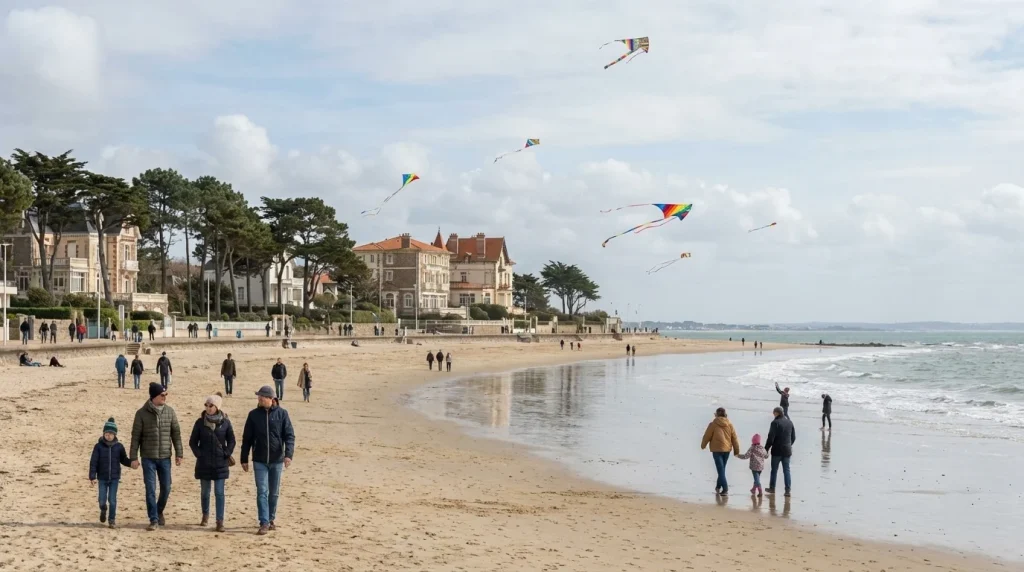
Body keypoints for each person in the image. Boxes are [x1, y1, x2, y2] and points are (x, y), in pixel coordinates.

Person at [241, 385, 295, 535]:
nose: (259, 399)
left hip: (277, 460)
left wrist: (288, 455)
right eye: (258, 397)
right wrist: (244, 458)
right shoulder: (253, 415)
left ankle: (271, 518)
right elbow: (247, 439)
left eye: (262, 397)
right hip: (259, 459)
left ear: (271, 399)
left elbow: (289, 436)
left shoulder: (282, 414)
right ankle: (263, 522)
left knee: (274, 492)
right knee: (262, 491)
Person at [130, 383, 184, 531]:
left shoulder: (170, 412)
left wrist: (179, 453)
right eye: (162, 395)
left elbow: (176, 434)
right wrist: (133, 457)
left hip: (165, 457)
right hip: (148, 457)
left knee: (166, 488)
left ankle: (159, 510)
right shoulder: (141, 414)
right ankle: (153, 519)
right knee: (150, 489)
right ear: (154, 396)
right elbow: (135, 437)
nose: (165, 397)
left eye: (166, 394)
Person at [189, 393, 235, 532]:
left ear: (217, 407)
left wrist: (226, 453)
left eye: (211, 406)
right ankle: (205, 515)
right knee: (205, 492)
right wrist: (199, 455)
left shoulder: (225, 422)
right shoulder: (200, 422)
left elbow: (232, 440)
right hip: (204, 463)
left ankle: (220, 521)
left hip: (220, 463)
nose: (208, 408)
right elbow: (192, 442)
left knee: (219, 493)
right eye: (207, 405)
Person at [89, 417, 131, 529]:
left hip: (114, 478)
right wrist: (92, 476)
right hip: (102, 478)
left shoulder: (119, 447)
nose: (109, 436)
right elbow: (93, 462)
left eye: (111, 434)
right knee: (102, 500)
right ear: (103, 434)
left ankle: (112, 520)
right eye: (106, 433)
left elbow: (124, 459)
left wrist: (132, 463)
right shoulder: (98, 447)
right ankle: (103, 509)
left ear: (115, 435)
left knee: (112, 500)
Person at [700, 407, 741, 495]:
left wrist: (703, 445)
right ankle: (718, 486)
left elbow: (707, 436)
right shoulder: (730, 424)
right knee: (722, 469)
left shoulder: (713, 424)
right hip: (727, 450)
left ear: (716, 414)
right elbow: (734, 438)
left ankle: (725, 489)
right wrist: (736, 451)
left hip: (717, 449)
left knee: (721, 470)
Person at [765, 406, 796, 497]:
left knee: (774, 470)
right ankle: (787, 490)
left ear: (777, 413)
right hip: (787, 450)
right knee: (786, 470)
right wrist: (789, 445)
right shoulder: (790, 422)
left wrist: (766, 449)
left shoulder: (775, 423)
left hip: (777, 450)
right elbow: (793, 437)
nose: (773, 414)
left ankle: (772, 488)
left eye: (774, 412)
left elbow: (771, 437)